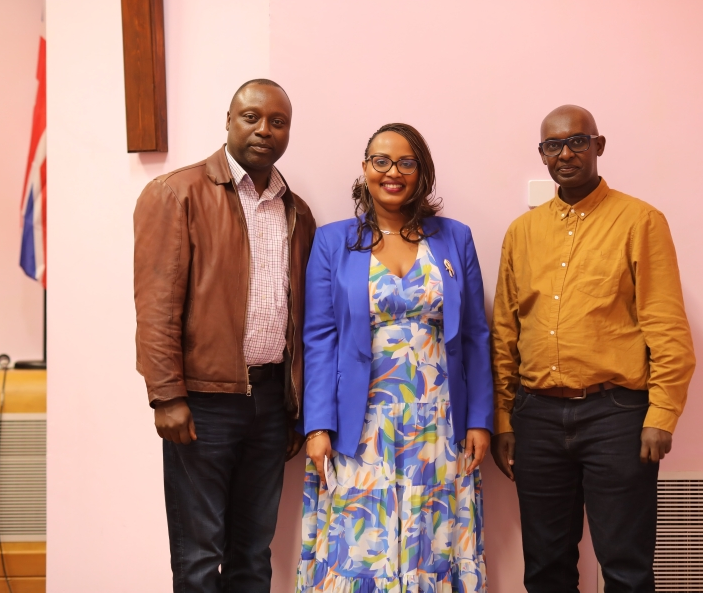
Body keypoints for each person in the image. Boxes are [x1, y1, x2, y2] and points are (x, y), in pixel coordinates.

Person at [490, 105, 696, 593]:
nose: (565, 153)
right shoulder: (522, 232)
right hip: (536, 416)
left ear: (599, 146)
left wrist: (661, 414)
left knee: (625, 566)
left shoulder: (640, 221)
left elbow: (665, 326)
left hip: (617, 415)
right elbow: (505, 332)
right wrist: (504, 418)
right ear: (541, 155)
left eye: (577, 141)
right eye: (553, 146)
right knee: (545, 567)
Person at [133, 79, 316, 592]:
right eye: (251, 117)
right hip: (203, 404)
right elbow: (156, 308)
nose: (264, 130)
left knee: (253, 556)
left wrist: (296, 403)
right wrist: (166, 395)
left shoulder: (296, 211)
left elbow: (302, 318)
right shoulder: (176, 193)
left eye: (277, 122)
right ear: (229, 121)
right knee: (198, 557)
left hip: (271, 404)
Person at [296, 123, 493, 592]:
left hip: (439, 421)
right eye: (381, 160)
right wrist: (318, 425)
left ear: (421, 172)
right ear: (365, 169)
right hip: (359, 422)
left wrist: (480, 419)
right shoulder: (333, 242)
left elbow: (476, 336)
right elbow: (319, 338)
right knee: (361, 538)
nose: (393, 172)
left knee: (434, 535)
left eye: (406, 162)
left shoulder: (455, 238)